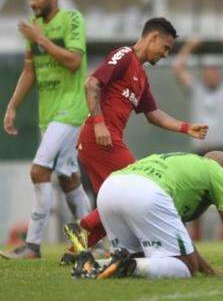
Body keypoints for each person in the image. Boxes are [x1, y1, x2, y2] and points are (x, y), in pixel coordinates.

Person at [64, 18, 208, 252]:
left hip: (107, 141)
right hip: (100, 138)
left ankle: (75, 250)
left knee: (115, 203)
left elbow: (154, 114)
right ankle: (83, 232)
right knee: (139, 187)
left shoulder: (141, 77)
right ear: (152, 37)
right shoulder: (123, 55)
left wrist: (185, 127)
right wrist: (99, 123)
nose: (165, 54)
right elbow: (91, 84)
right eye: (166, 47)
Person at [1, 0, 92, 260]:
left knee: (39, 171)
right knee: (70, 180)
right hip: (49, 114)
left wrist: (40, 39)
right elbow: (30, 71)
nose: (32, 3)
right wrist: (12, 106)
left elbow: (74, 60)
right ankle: (87, 244)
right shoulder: (36, 27)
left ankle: (32, 245)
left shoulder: (71, 19)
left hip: (71, 109)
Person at [73, 151, 223, 279]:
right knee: (186, 266)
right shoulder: (220, 174)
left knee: (141, 258)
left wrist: (208, 270)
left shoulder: (187, 165)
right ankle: (128, 264)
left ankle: (92, 264)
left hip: (110, 189)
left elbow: (179, 237)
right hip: (145, 192)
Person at [172, 37, 223, 160]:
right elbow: (178, 67)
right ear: (203, 74)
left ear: (219, 74)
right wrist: (189, 46)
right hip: (202, 149)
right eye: (208, 71)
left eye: (214, 71)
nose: (212, 75)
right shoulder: (195, 90)